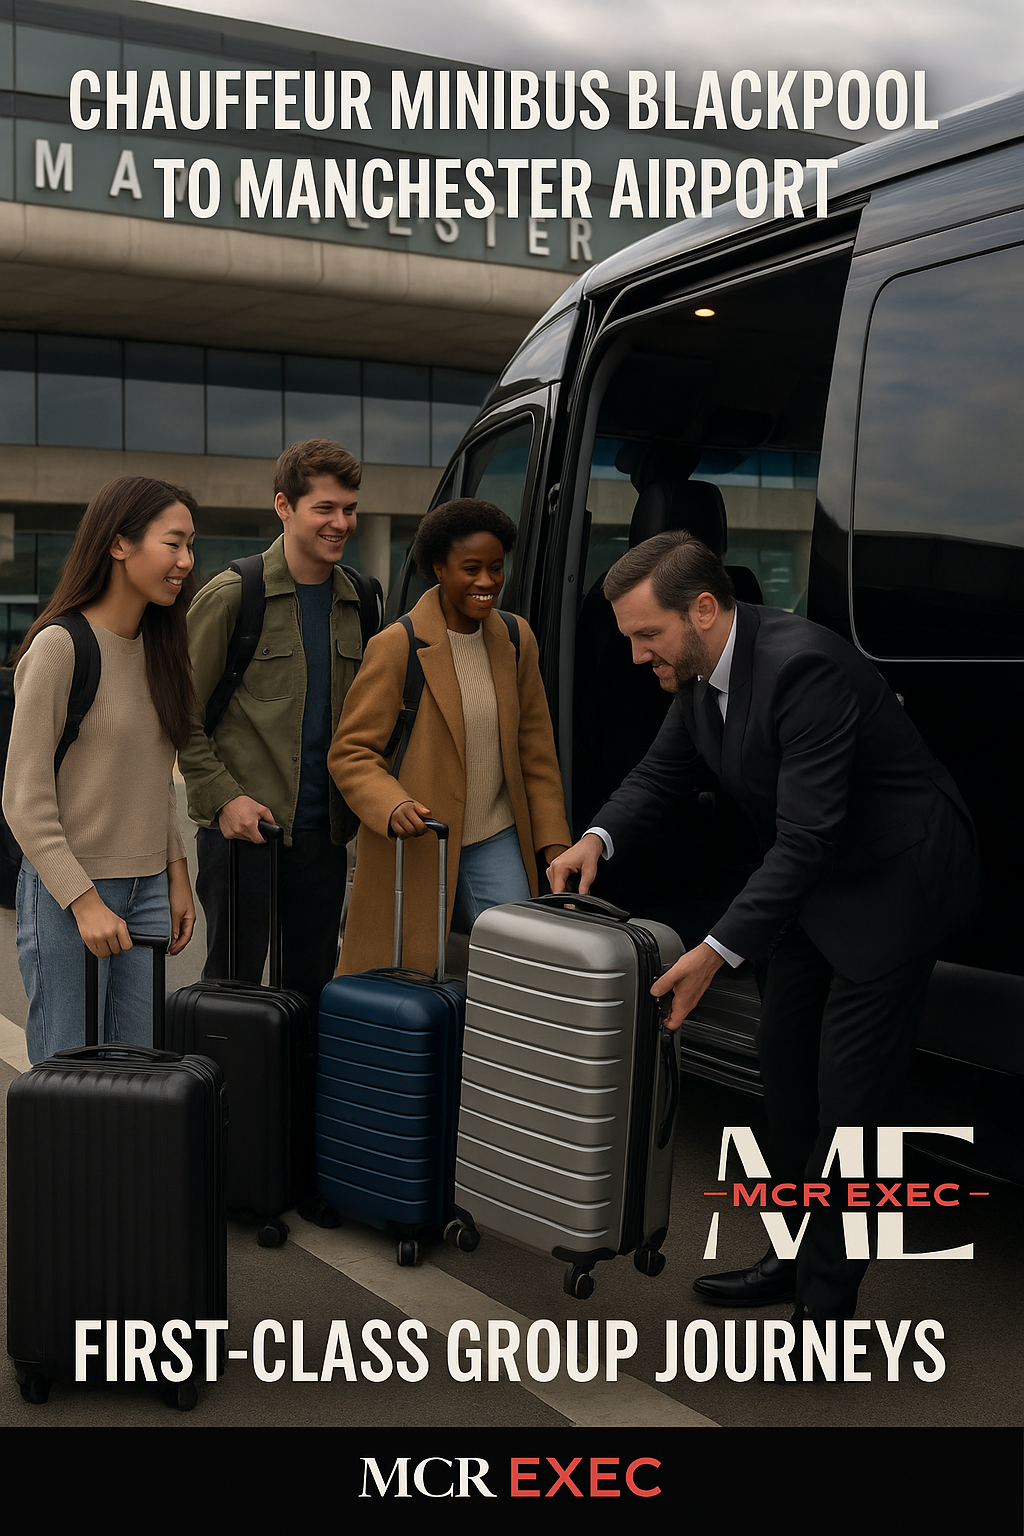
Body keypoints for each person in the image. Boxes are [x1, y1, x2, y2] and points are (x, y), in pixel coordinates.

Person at [548, 530, 979, 1322]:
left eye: (649, 635)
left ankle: (824, 1314)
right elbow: (660, 774)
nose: (639, 656)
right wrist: (595, 839)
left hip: (892, 886)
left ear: (704, 609)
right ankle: (792, 1253)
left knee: (852, 1107)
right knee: (784, 1072)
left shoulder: (801, 668)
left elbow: (807, 836)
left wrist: (714, 952)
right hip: (814, 886)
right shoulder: (700, 670)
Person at [329, 498, 571, 975]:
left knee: (523, 964)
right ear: (439, 568)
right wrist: (392, 803)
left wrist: (554, 846)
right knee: (407, 979)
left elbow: (536, 753)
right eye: (472, 568)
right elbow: (351, 752)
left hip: (494, 834)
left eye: (497, 568)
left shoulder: (516, 639)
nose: (487, 582)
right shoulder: (397, 645)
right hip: (419, 838)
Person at [2, 476, 198, 1064]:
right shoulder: (60, 647)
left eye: (191, 545)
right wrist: (84, 901)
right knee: (69, 1071)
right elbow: (22, 799)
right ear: (119, 544)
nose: (187, 561)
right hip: (70, 894)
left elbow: (155, 777)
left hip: (146, 894)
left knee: (136, 1072)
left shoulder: (161, 646)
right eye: (174, 543)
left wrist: (176, 872)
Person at [179, 439, 380, 998]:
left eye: (349, 508)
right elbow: (180, 717)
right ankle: (227, 1090)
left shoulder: (364, 600)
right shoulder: (232, 595)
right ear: (284, 507)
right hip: (245, 835)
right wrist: (225, 800)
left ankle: (295, 1090)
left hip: (326, 837)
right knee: (232, 992)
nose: (341, 522)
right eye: (325, 508)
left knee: (313, 991)